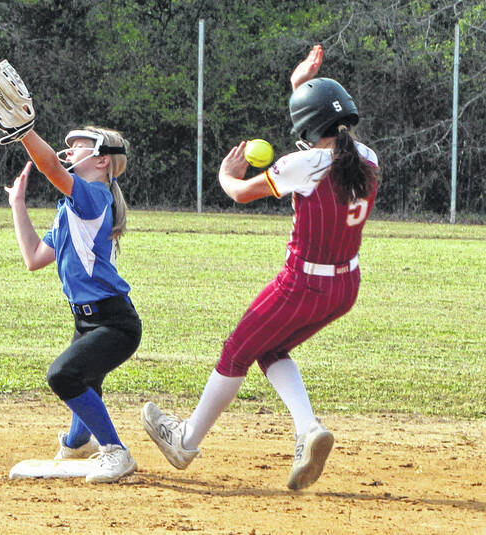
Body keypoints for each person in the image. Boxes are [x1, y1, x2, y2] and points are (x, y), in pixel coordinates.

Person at [141, 44, 380, 491]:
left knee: (236, 351)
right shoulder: (367, 158)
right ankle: (308, 429)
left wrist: (224, 172)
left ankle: (185, 441)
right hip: (346, 285)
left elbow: (238, 192)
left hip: (302, 282)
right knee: (270, 350)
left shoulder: (300, 164)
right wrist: (300, 87)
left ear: (308, 128)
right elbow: (322, 142)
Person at [4, 125, 142, 483]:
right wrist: (17, 204)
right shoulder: (70, 210)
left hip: (114, 322)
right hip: (87, 323)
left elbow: (50, 167)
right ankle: (76, 444)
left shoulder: (95, 196)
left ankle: (115, 451)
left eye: (79, 146)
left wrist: (25, 132)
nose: (70, 151)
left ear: (100, 160)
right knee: (85, 383)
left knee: (63, 376)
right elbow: (34, 257)